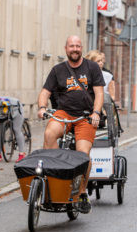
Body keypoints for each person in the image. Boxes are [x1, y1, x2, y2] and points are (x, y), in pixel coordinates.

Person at [36, 35, 105, 214]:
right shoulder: (58, 70)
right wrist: (42, 108)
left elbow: (99, 93)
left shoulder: (92, 67)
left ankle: (82, 192)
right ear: (66, 49)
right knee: (49, 134)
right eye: (71, 46)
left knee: (83, 154)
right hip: (63, 113)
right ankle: (54, 178)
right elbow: (45, 92)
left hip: (85, 116)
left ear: (82, 48)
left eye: (78, 46)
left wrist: (96, 113)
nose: (75, 49)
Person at [0, 97, 27, 162]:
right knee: (0, 130)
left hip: (17, 110)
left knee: (16, 129)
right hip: (6, 113)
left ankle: (22, 154)